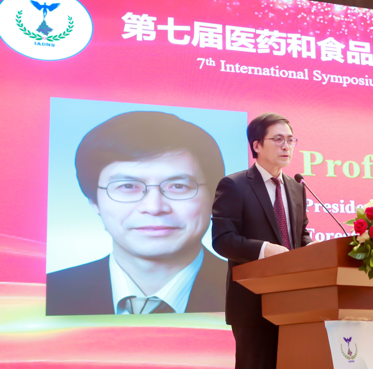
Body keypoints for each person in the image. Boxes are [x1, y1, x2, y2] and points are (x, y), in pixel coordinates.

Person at [46, 111, 227, 315]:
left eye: (178, 186)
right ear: (94, 201)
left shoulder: (252, 291)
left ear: (215, 198)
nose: (154, 207)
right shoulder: (43, 294)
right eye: (128, 186)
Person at [211, 113, 312, 369]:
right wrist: (266, 250)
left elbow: (300, 235)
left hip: (295, 303)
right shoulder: (234, 185)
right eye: (277, 139)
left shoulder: (297, 187)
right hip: (253, 305)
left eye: (290, 140)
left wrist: (312, 250)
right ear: (256, 145)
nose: (286, 146)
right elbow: (223, 240)